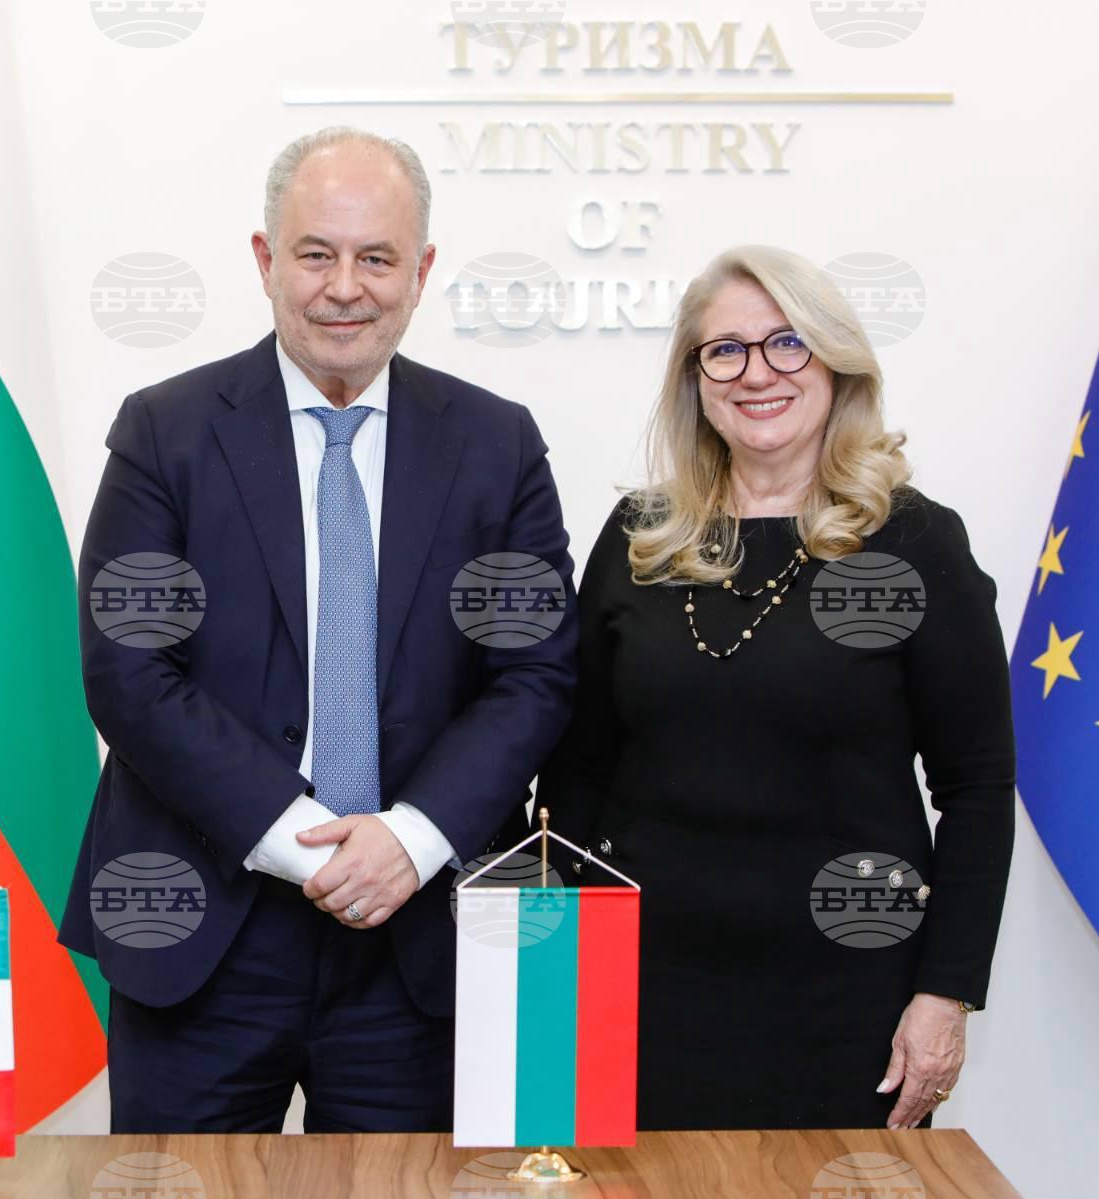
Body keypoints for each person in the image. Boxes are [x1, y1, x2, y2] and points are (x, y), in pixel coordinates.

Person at [59, 126, 578, 1133]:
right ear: (265, 260)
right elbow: (130, 671)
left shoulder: (496, 442)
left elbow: (533, 679)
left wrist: (409, 841)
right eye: (315, 253)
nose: (345, 287)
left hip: (419, 940)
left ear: (421, 271)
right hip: (202, 928)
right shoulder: (165, 431)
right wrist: (308, 846)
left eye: (377, 257)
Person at [537, 245, 1014, 1132]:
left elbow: (977, 788)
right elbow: (579, 768)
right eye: (726, 350)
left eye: (787, 343)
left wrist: (945, 993)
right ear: (696, 378)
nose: (757, 373)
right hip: (640, 987)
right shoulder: (641, 536)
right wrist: (550, 968)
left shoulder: (914, 544)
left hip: (846, 996)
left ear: (835, 362)